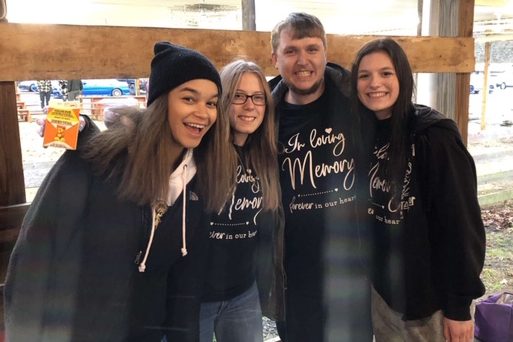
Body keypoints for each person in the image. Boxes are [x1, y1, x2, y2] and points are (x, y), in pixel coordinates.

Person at [4, 41, 233, 342]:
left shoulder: (199, 182)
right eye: (189, 99)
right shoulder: (99, 162)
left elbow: (183, 290)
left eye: (211, 103)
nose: (202, 113)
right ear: (161, 102)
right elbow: (35, 251)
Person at [351, 38, 486, 342]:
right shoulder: (365, 135)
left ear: (403, 77)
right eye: (364, 75)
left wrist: (458, 307)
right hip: (385, 298)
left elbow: (461, 226)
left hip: (431, 304)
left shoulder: (434, 136)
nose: (375, 83)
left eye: (386, 73)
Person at [270, 12, 373, 342]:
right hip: (295, 278)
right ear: (275, 58)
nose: (303, 61)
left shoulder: (355, 103)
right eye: (291, 51)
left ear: (326, 53)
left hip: (353, 274)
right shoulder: (263, 118)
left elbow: (399, 119)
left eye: (312, 49)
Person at [199, 60, 285, 342]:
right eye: (238, 95)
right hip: (195, 298)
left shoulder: (266, 157)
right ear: (223, 101)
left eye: (258, 97)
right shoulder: (199, 151)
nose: (250, 105)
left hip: (243, 294)